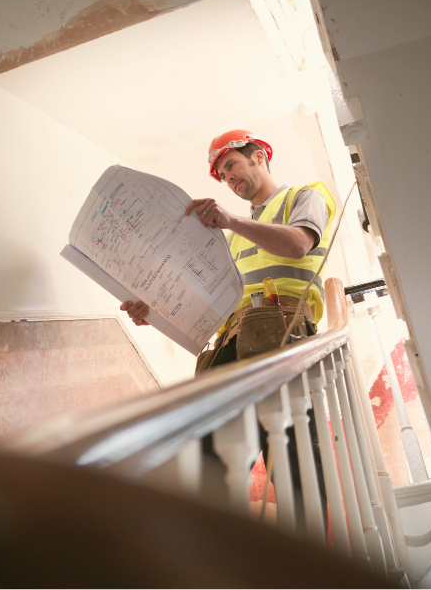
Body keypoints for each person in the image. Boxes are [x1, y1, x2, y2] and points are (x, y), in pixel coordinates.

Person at [120, 129, 336, 527]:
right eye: (222, 174)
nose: (229, 177)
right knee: (208, 456)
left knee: (291, 454)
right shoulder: (234, 238)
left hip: (282, 330)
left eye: (232, 165)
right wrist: (154, 314)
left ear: (258, 156)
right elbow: (214, 309)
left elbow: (298, 246)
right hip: (236, 340)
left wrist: (230, 220)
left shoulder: (303, 197)